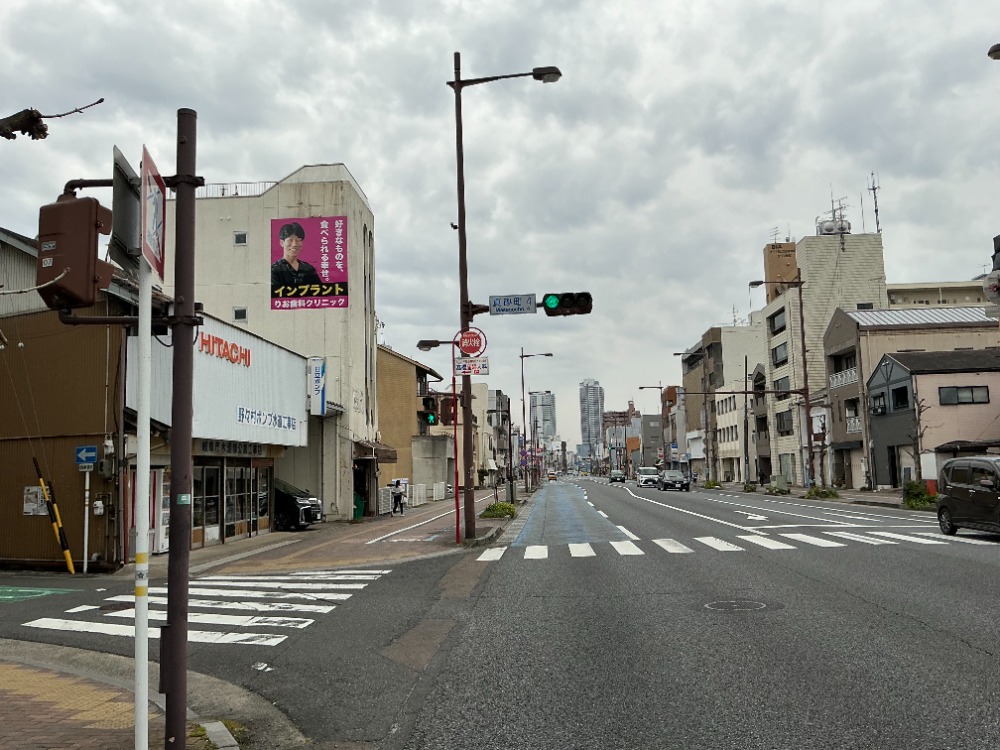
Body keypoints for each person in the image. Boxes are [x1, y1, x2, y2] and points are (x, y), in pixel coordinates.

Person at [270, 221, 322, 289]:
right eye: (290, 240)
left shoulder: (308, 268)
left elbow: (320, 291)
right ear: (282, 243)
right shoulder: (274, 269)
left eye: (298, 240)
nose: (294, 244)